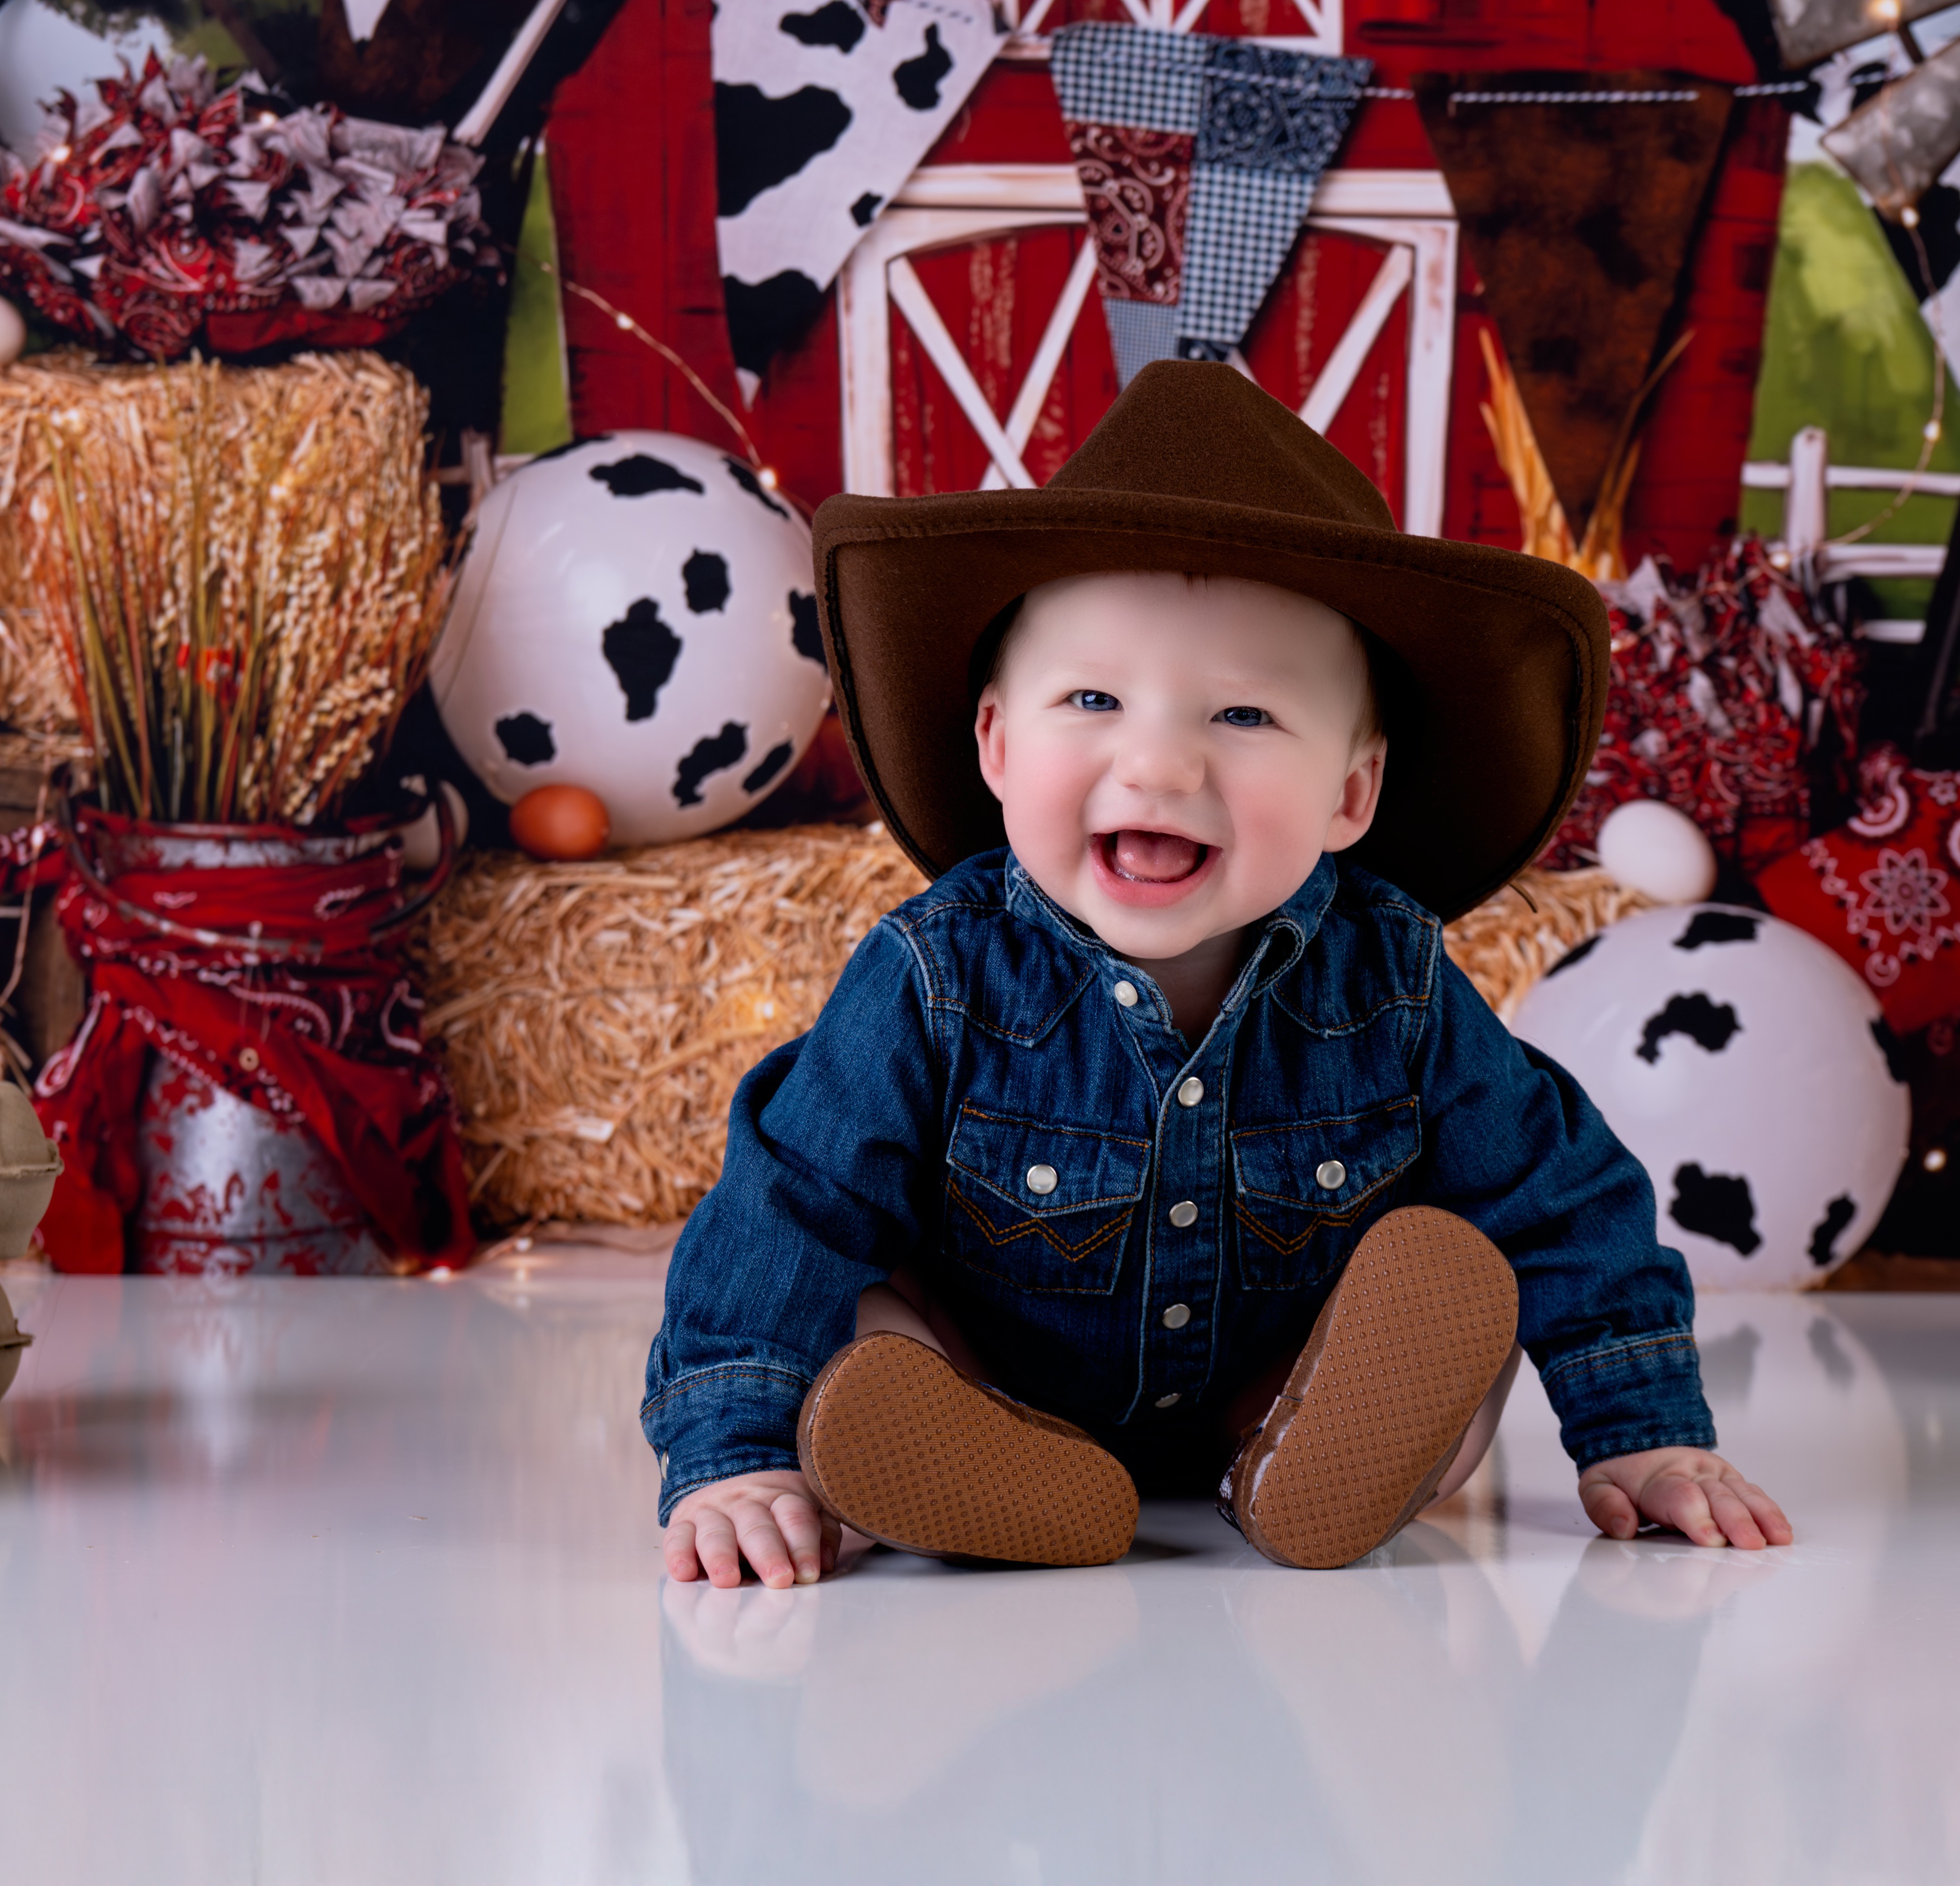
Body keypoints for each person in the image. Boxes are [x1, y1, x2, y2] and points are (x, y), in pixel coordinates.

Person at [645, 360, 1790, 1583]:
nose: (1159, 765)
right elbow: (790, 1199)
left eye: (1242, 716)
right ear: (994, 740)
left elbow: (1553, 1190)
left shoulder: (1391, 980)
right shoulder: (936, 972)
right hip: (980, 1363)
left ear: (1352, 793)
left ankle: (1292, 1464)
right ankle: (948, 1474)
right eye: (1093, 697)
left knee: (1451, 1313)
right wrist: (735, 1450)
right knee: (860, 1343)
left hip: (1276, 1375)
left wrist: (1644, 1426)